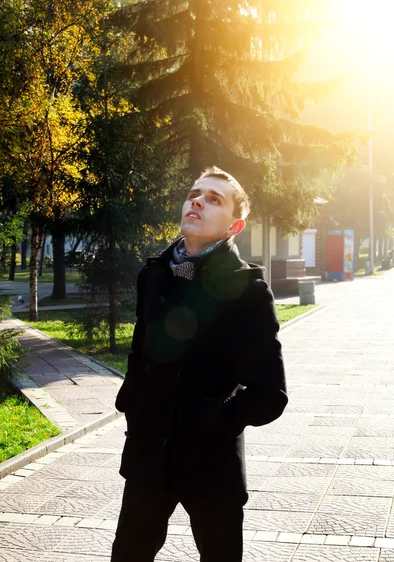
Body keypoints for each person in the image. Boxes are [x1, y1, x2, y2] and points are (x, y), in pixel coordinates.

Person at [111, 167, 288, 562]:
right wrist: (133, 404)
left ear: (234, 226)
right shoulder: (153, 274)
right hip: (148, 456)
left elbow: (271, 394)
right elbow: (140, 355)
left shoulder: (249, 290)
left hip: (211, 464)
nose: (198, 201)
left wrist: (211, 422)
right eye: (195, 193)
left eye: (214, 199)